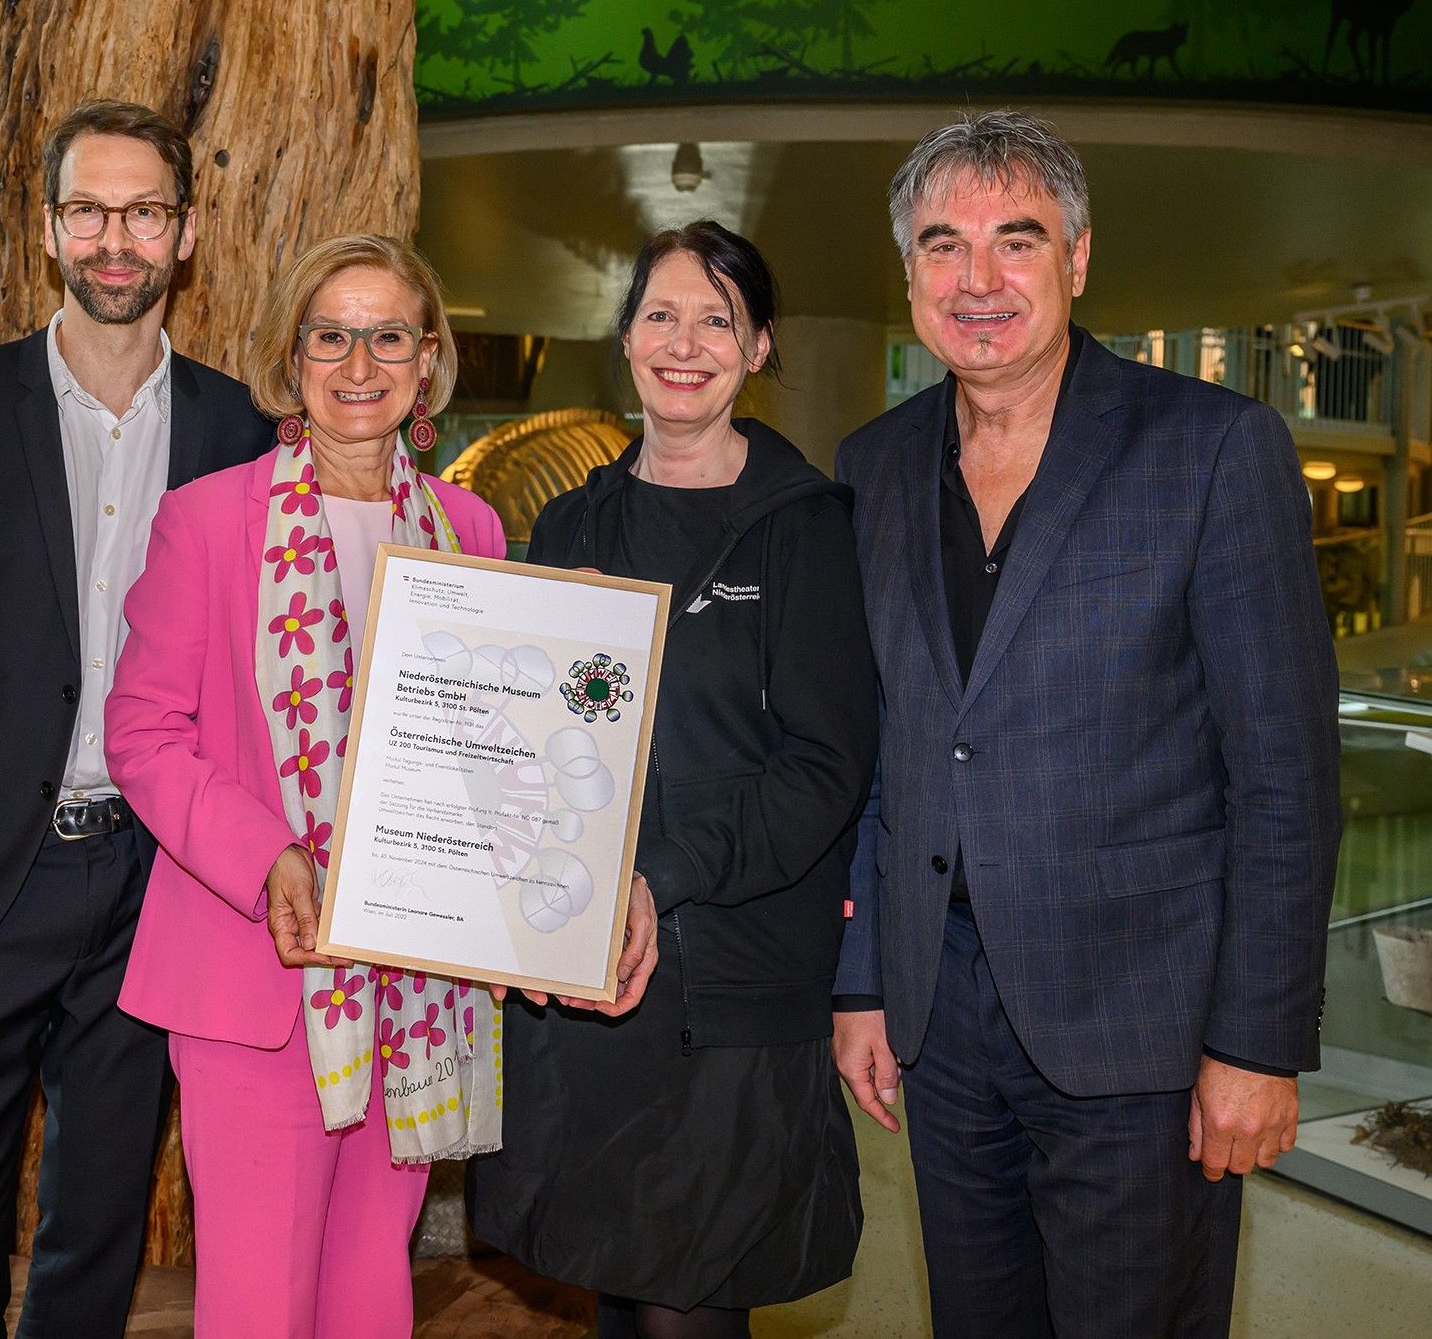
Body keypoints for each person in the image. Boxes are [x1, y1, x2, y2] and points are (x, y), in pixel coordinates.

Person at [831, 110, 1341, 1338]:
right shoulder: (871, 466)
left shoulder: (1210, 448)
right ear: (907, 271)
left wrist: (1255, 1044)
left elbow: (1282, 774)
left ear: (1076, 256)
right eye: (942, 245)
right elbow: (879, 752)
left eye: (1015, 240)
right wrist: (860, 984)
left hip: (1145, 1029)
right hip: (940, 1021)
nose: (978, 279)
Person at [0, 99, 271, 1337]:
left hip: (156, 884)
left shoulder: (236, 428)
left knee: (98, 1230)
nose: (115, 240)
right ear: (47, 229)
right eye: (87, 211)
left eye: (143, 212)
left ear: (185, 232)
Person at [107, 234, 542, 1338]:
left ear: (428, 358)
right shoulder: (209, 518)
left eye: (388, 335)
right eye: (330, 336)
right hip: (257, 972)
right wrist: (269, 857)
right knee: (259, 1302)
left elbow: (494, 749)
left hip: (412, 981)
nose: (359, 364)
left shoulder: (471, 530)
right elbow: (142, 734)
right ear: (291, 356)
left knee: (370, 1294)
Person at [468, 222, 878, 1339]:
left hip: (730, 983)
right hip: (589, 975)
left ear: (758, 347)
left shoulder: (805, 528)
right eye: (660, 315)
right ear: (625, 336)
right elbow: (531, 746)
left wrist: (656, 877)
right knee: (612, 1289)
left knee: (683, 1307)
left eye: (716, 320)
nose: (684, 343)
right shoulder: (573, 521)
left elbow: (825, 766)